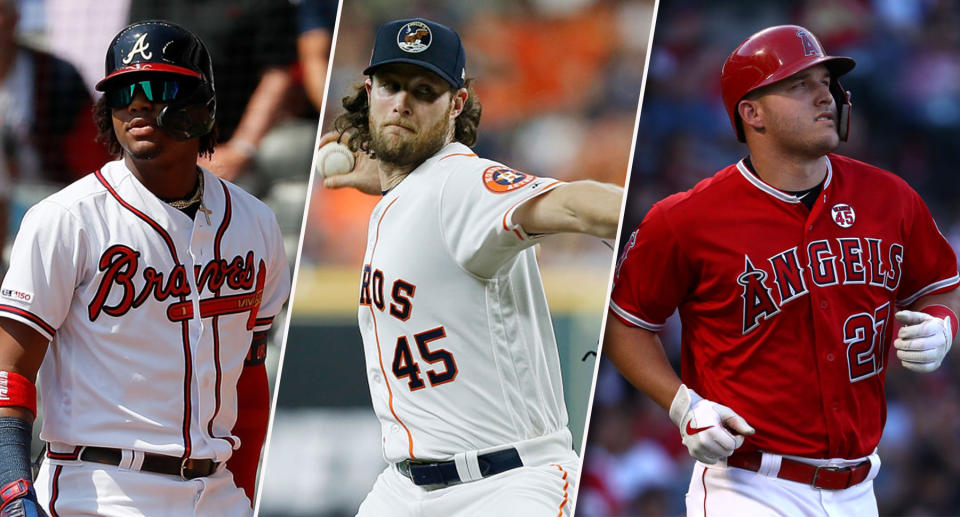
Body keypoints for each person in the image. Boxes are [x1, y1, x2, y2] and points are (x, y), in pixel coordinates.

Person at [605, 24, 960, 516]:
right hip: (749, 485)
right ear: (752, 113)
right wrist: (683, 405)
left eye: (826, 83)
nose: (825, 97)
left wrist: (944, 324)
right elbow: (625, 325)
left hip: (861, 488)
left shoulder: (890, 197)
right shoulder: (686, 218)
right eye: (800, 85)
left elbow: (941, 288)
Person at [318, 17, 622, 517]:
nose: (403, 103)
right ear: (369, 90)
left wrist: (653, 218)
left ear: (456, 105)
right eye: (392, 86)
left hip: (505, 485)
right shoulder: (409, 193)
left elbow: (571, 204)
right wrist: (394, 181)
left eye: (424, 90)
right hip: (404, 488)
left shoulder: (461, 183)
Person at [0, 20, 290, 516]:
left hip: (217, 491)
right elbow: (8, 369)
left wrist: (243, 491)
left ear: (202, 106)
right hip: (100, 489)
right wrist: (11, 488)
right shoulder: (66, 219)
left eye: (155, 87)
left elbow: (249, 379)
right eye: (122, 92)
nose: (136, 103)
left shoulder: (256, 224)